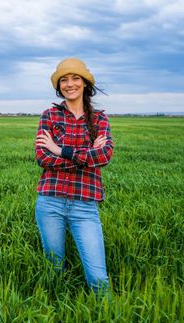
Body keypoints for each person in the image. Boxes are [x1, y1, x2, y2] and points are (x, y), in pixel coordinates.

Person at [34, 57, 114, 294]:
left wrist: (61, 151)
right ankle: (55, 315)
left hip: (85, 206)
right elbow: (42, 158)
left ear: (85, 84)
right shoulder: (50, 116)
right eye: (64, 80)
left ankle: (107, 322)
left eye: (75, 78)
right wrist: (86, 156)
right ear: (58, 87)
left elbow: (105, 156)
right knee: (54, 270)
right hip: (50, 201)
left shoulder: (99, 119)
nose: (70, 84)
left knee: (98, 279)